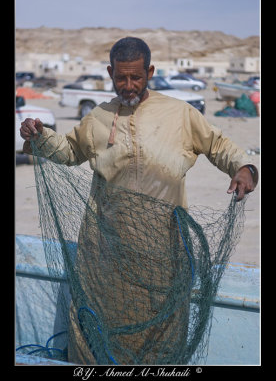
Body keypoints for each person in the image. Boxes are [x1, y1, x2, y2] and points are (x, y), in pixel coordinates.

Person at [20, 37, 258, 364]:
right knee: (97, 340)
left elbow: (219, 145)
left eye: (137, 77)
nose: (129, 86)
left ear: (150, 72)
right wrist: (39, 136)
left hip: (165, 257)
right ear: (110, 73)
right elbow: (69, 151)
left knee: (160, 345)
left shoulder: (180, 114)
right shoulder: (98, 118)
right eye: (121, 78)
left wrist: (244, 167)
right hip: (103, 258)